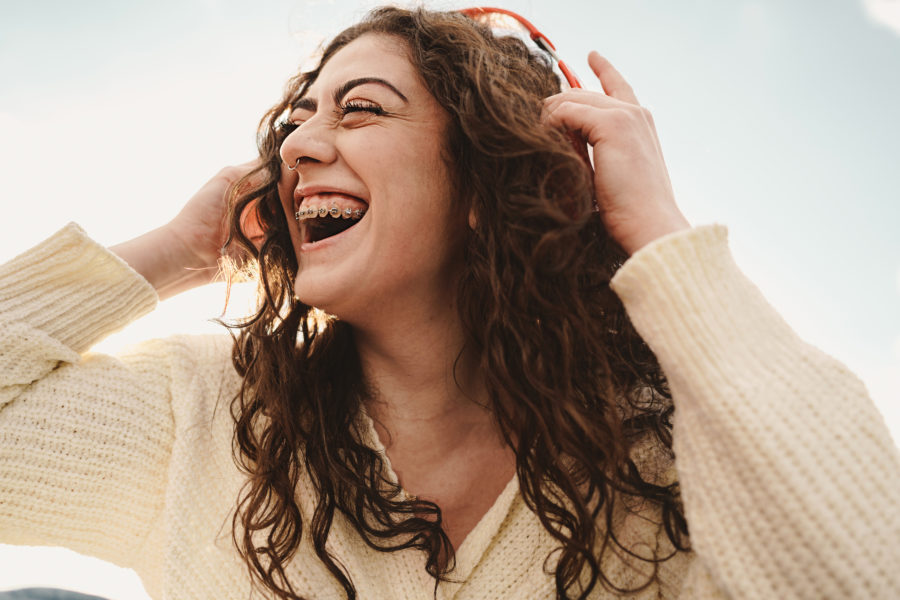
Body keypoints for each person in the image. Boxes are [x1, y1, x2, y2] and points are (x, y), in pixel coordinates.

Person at [1, 6, 898, 600]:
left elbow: (857, 572)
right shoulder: (210, 415)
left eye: (361, 112)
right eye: (299, 122)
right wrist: (179, 250)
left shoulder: (661, 450)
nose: (302, 146)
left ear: (482, 181)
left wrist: (659, 236)